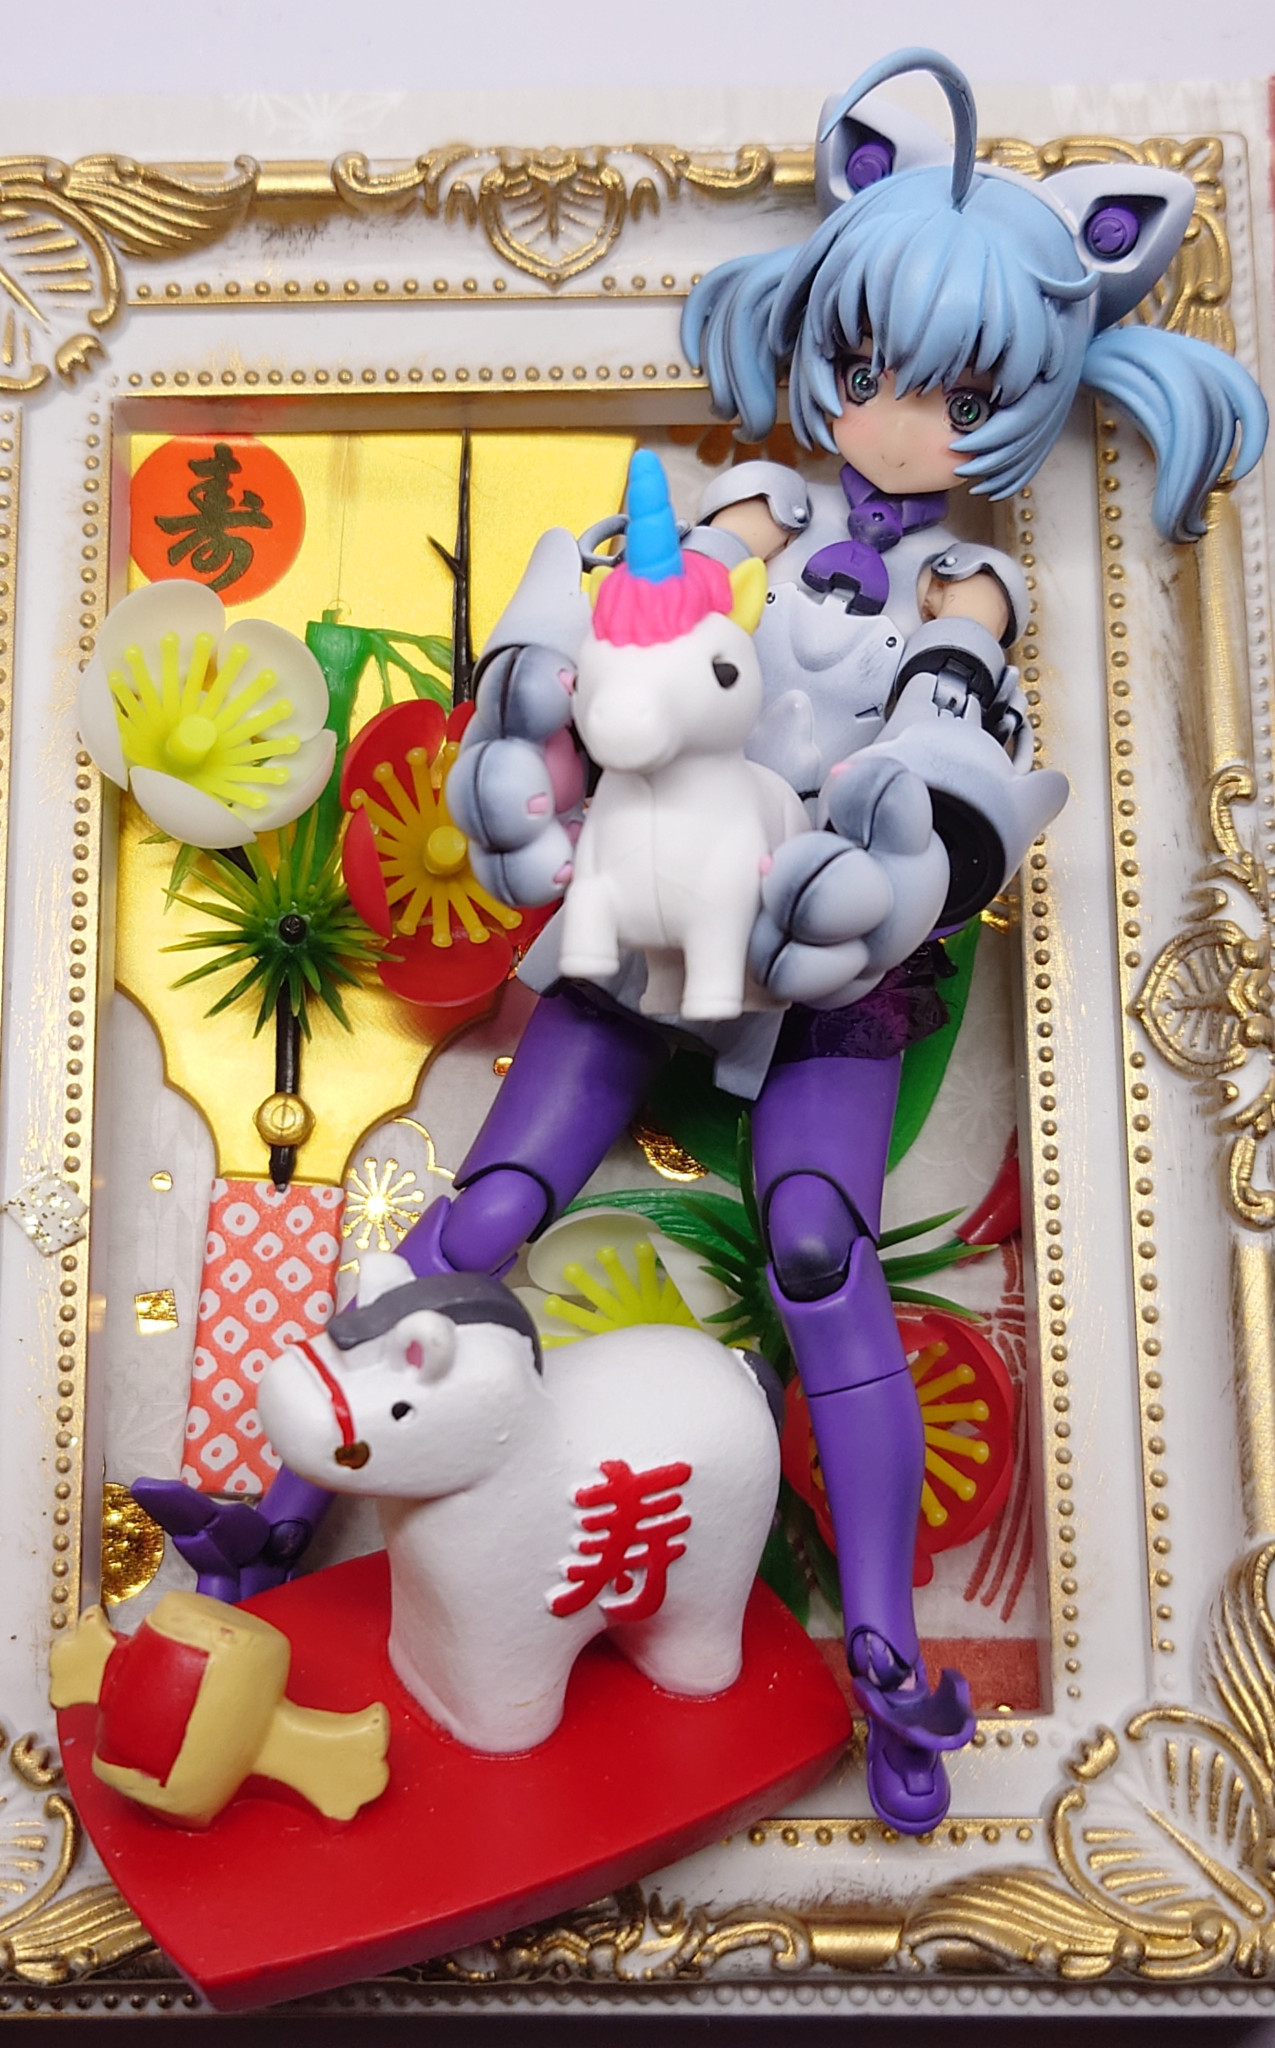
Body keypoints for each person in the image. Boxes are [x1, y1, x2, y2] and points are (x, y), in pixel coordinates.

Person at [136, 47, 1266, 1832]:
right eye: (867, 366)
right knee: (488, 1214)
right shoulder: (755, 508)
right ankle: (278, 1511)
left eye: (959, 390)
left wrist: (884, 871)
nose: (896, 419)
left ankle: (884, 1642)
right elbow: (614, 614)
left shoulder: (971, 584)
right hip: (650, 918)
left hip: (822, 962)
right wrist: (532, 733)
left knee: (814, 1244)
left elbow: (953, 746)